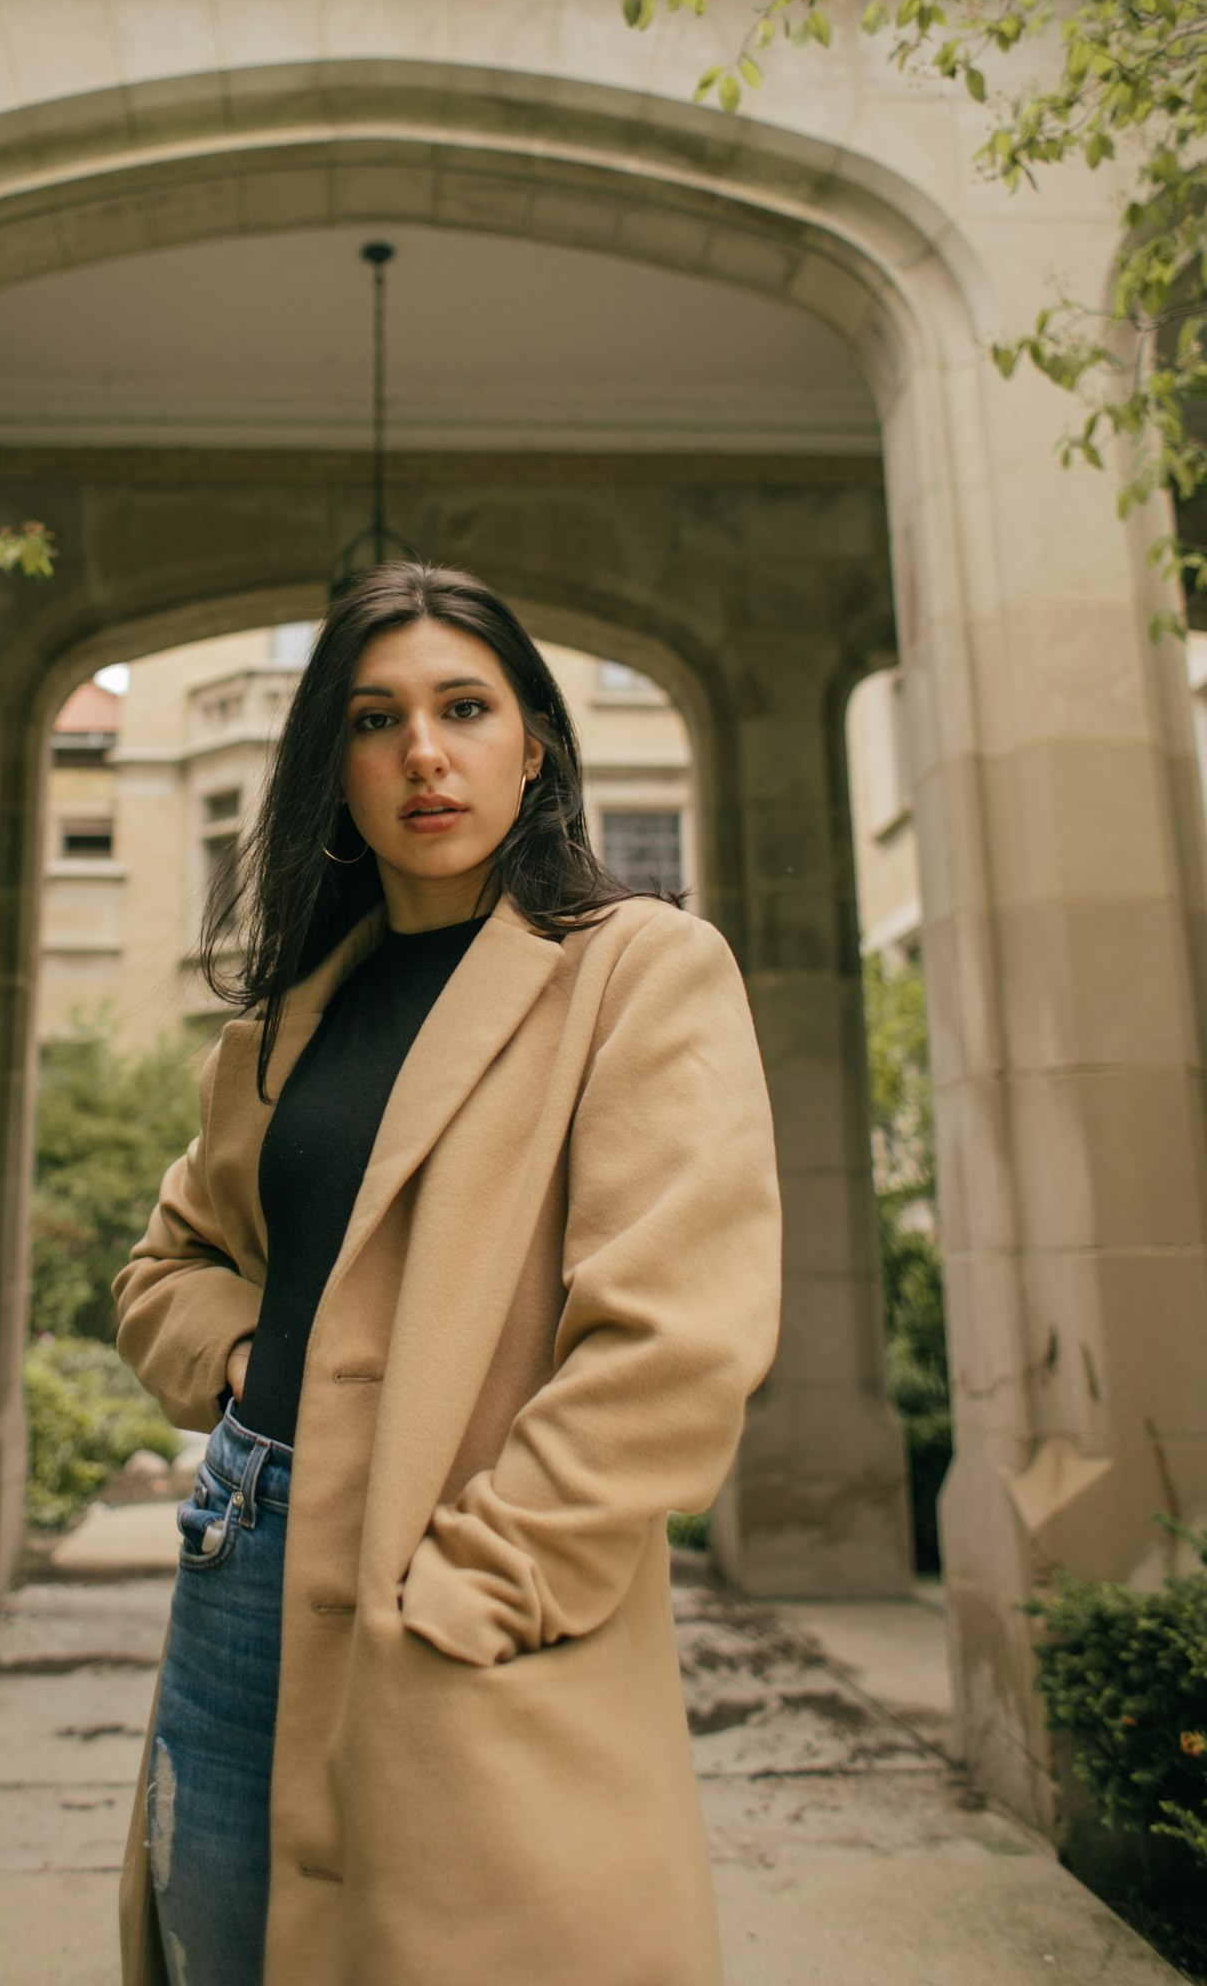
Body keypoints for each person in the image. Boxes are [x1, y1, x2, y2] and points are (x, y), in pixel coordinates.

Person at [112, 560, 782, 1986]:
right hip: (239, 1570)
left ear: (531, 744)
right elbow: (169, 1262)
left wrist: (481, 1584)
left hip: (458, 1584)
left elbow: (675, 1345)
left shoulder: (635, 971)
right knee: (220, 1950)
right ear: (335, 769)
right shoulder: (285, 1023)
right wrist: (241, 1360)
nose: (423, 750)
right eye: (375, 717)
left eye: (463, 706)